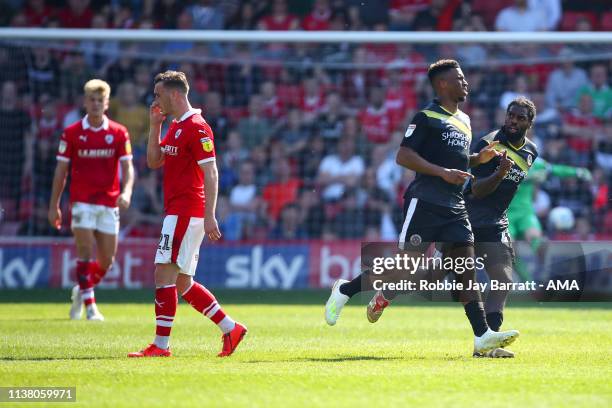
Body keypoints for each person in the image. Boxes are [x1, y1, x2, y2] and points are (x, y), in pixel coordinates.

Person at [324, 59, 520, 355]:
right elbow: (403, 156)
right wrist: (441, 173)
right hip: (425, 201)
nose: (466, 83)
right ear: (443, 84)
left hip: (455, 206)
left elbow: (454, 159)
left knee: (465, 270)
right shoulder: (426, 116)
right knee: (406, 268)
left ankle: (482, 336)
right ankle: (345, 289)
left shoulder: (464, 120)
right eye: (460, 78)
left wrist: (477, 159)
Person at [367, 98, 540, 359]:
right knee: (431, 280)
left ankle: (487, 345)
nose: (513, 121)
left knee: (503, 279)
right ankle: (387, 292)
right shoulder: (489, 144)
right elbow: (476, 190)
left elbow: (508, 192)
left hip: (496, 223)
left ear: (529, 123)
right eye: (510, 115)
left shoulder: (530, 152)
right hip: (466, 219)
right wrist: (499, 174)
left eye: (520, 118)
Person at [128, 71, 246, 358]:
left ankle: (161, 345)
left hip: (186, 211)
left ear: (174, 94)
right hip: (178, 210)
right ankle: (231, 329)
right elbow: (155, 161)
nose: (155, 100)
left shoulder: (198, 126)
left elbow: (211, 172)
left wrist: (210, 215)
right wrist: (155, 126)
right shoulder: (175, 125)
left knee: (163, 273)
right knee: (182, 282)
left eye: (158, 94)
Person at [48, 79, 134, 321]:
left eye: (100, 100)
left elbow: (128, 168)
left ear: (107, 104)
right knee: (84, 251)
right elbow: (60, 172)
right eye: (92, 100)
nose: (96, 104)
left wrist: (126, 192)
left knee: (107, 260)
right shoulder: (72, 133)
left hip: (109, 201)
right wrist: (54, 205)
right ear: (85, 102)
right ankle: (91, 306)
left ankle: (81, 290)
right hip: (81, 200)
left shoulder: (119, 133)